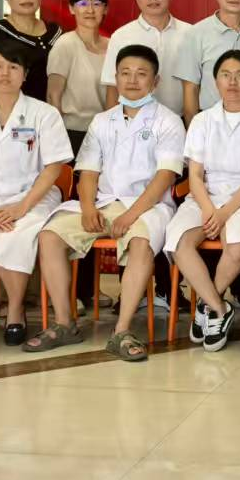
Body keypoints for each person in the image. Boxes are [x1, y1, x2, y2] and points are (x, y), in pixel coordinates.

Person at [28, 45, 183, 363]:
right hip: (102, 202)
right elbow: (88, 172)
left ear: (155, 82)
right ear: (116, 78)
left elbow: (165, 176)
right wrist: (87, 207)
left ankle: (122, 331)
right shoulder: (102, 121)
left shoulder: (168, 122)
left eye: (141, 74)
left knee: (140, 243)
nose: (132, 80)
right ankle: (64, 323)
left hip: (147, 207)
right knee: (50, 236)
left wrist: (131, 214)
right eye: (125, 73)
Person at [0, 32, 74, 356]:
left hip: (33, 199)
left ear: (25, 74)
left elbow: (53, 168)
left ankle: (16, 310)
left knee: (12, 236)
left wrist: (21, 207)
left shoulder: (43, 114)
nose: (5, 74)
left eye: (13, 67)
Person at [169, 48, 240, 350]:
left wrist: (224, 213)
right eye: (225, 75)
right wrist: (209, 209)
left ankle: (205, 306)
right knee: (179, 243)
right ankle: (219, 308)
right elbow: (194, 175)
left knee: (237, 247)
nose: (233, 82)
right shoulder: (202, 120)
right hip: (204, 196)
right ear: (215, 81)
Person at [101, 0, 191, 116]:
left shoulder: (190, 34)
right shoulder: (121, 36)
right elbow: (112, 88)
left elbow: (194, 87)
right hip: (133, 121)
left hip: (180, 120)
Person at [47, 0, 112, 155]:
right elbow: (53, 97)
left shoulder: (114, 45)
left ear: (105, 9)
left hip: (105, 133)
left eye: (96, 4)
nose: (90, 10)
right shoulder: (65, 44)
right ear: (71, 8)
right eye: (83, 3)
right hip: (71, 134)